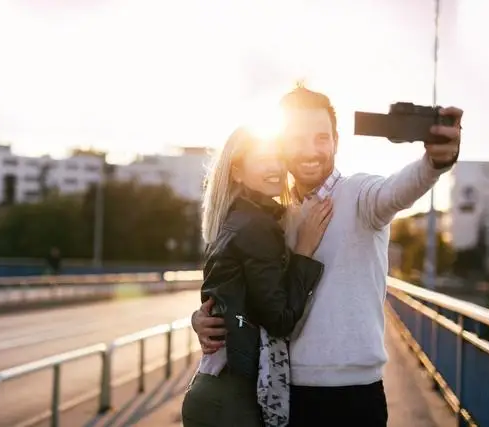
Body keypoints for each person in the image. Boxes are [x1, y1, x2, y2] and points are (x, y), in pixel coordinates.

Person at [191, 85, 463, 427]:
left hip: (356, 396)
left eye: (322, 137)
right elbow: (253, 290)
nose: (311, 150)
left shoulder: (362, 195)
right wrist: (206, 317)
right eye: (298, 138)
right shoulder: (279, 219)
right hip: (289, 395)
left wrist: (435, 163)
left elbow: (397, 190)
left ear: (336, 141)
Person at [181, 126, 331, 427]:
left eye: (278, 157)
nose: (275, 167)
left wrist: (199, 318)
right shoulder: (257, 226)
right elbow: (279, 320)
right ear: (237, 172)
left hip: (212, 388)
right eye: (263, 158)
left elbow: (227, 300)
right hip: (232, 399)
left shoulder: (234, 220)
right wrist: (303, 253)